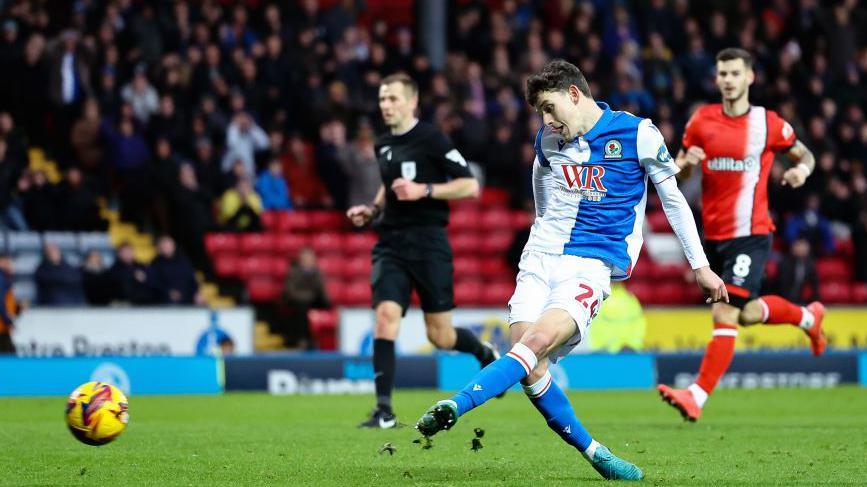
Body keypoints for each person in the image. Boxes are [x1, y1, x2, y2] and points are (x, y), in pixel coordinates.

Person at [414, 60, 727, 481]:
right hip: (540, 258)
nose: (545, 121)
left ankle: (456, 405)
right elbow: (540, 186)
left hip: (590, 264)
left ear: (574, 94)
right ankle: (597, 454)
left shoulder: (637, 133)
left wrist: (701, 267)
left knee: (535, 344)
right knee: (531, 365)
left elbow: (672, 201)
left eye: (548, 108)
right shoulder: (549, 140)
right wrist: (542, 233)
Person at [657, 48, 826, 422]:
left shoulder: (769, 124)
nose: (728, 80)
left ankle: (696, 396)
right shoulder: (700, 121)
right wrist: (685, 166)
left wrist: (802, 172)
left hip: (751, 233)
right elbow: (679, 174)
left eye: (735, 73)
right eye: (722, 73)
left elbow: (806, 156)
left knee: (725, 312)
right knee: (745, 314)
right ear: (716, 78)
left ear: (750, 77)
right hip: (713, 236)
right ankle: (808, 319)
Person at [346, 73, 498, 429]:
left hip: (429, 243)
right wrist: (372, 210)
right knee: (385, 317)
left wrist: (424, 190)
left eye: (393, 99)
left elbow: (469, 186)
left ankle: (483, 352)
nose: (386, 105)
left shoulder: (431, 138)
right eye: (382, 99)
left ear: (412, 101)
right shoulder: (382, 143)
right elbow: (389, 187)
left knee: (440, 336)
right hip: (391, 243)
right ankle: (384, 410)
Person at [0, 254, 17, 353]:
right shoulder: (1, 278)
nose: (10, 265)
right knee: (9, 355)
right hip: (1, 326)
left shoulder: (5, 278)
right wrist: (8, 321)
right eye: (7, 262)